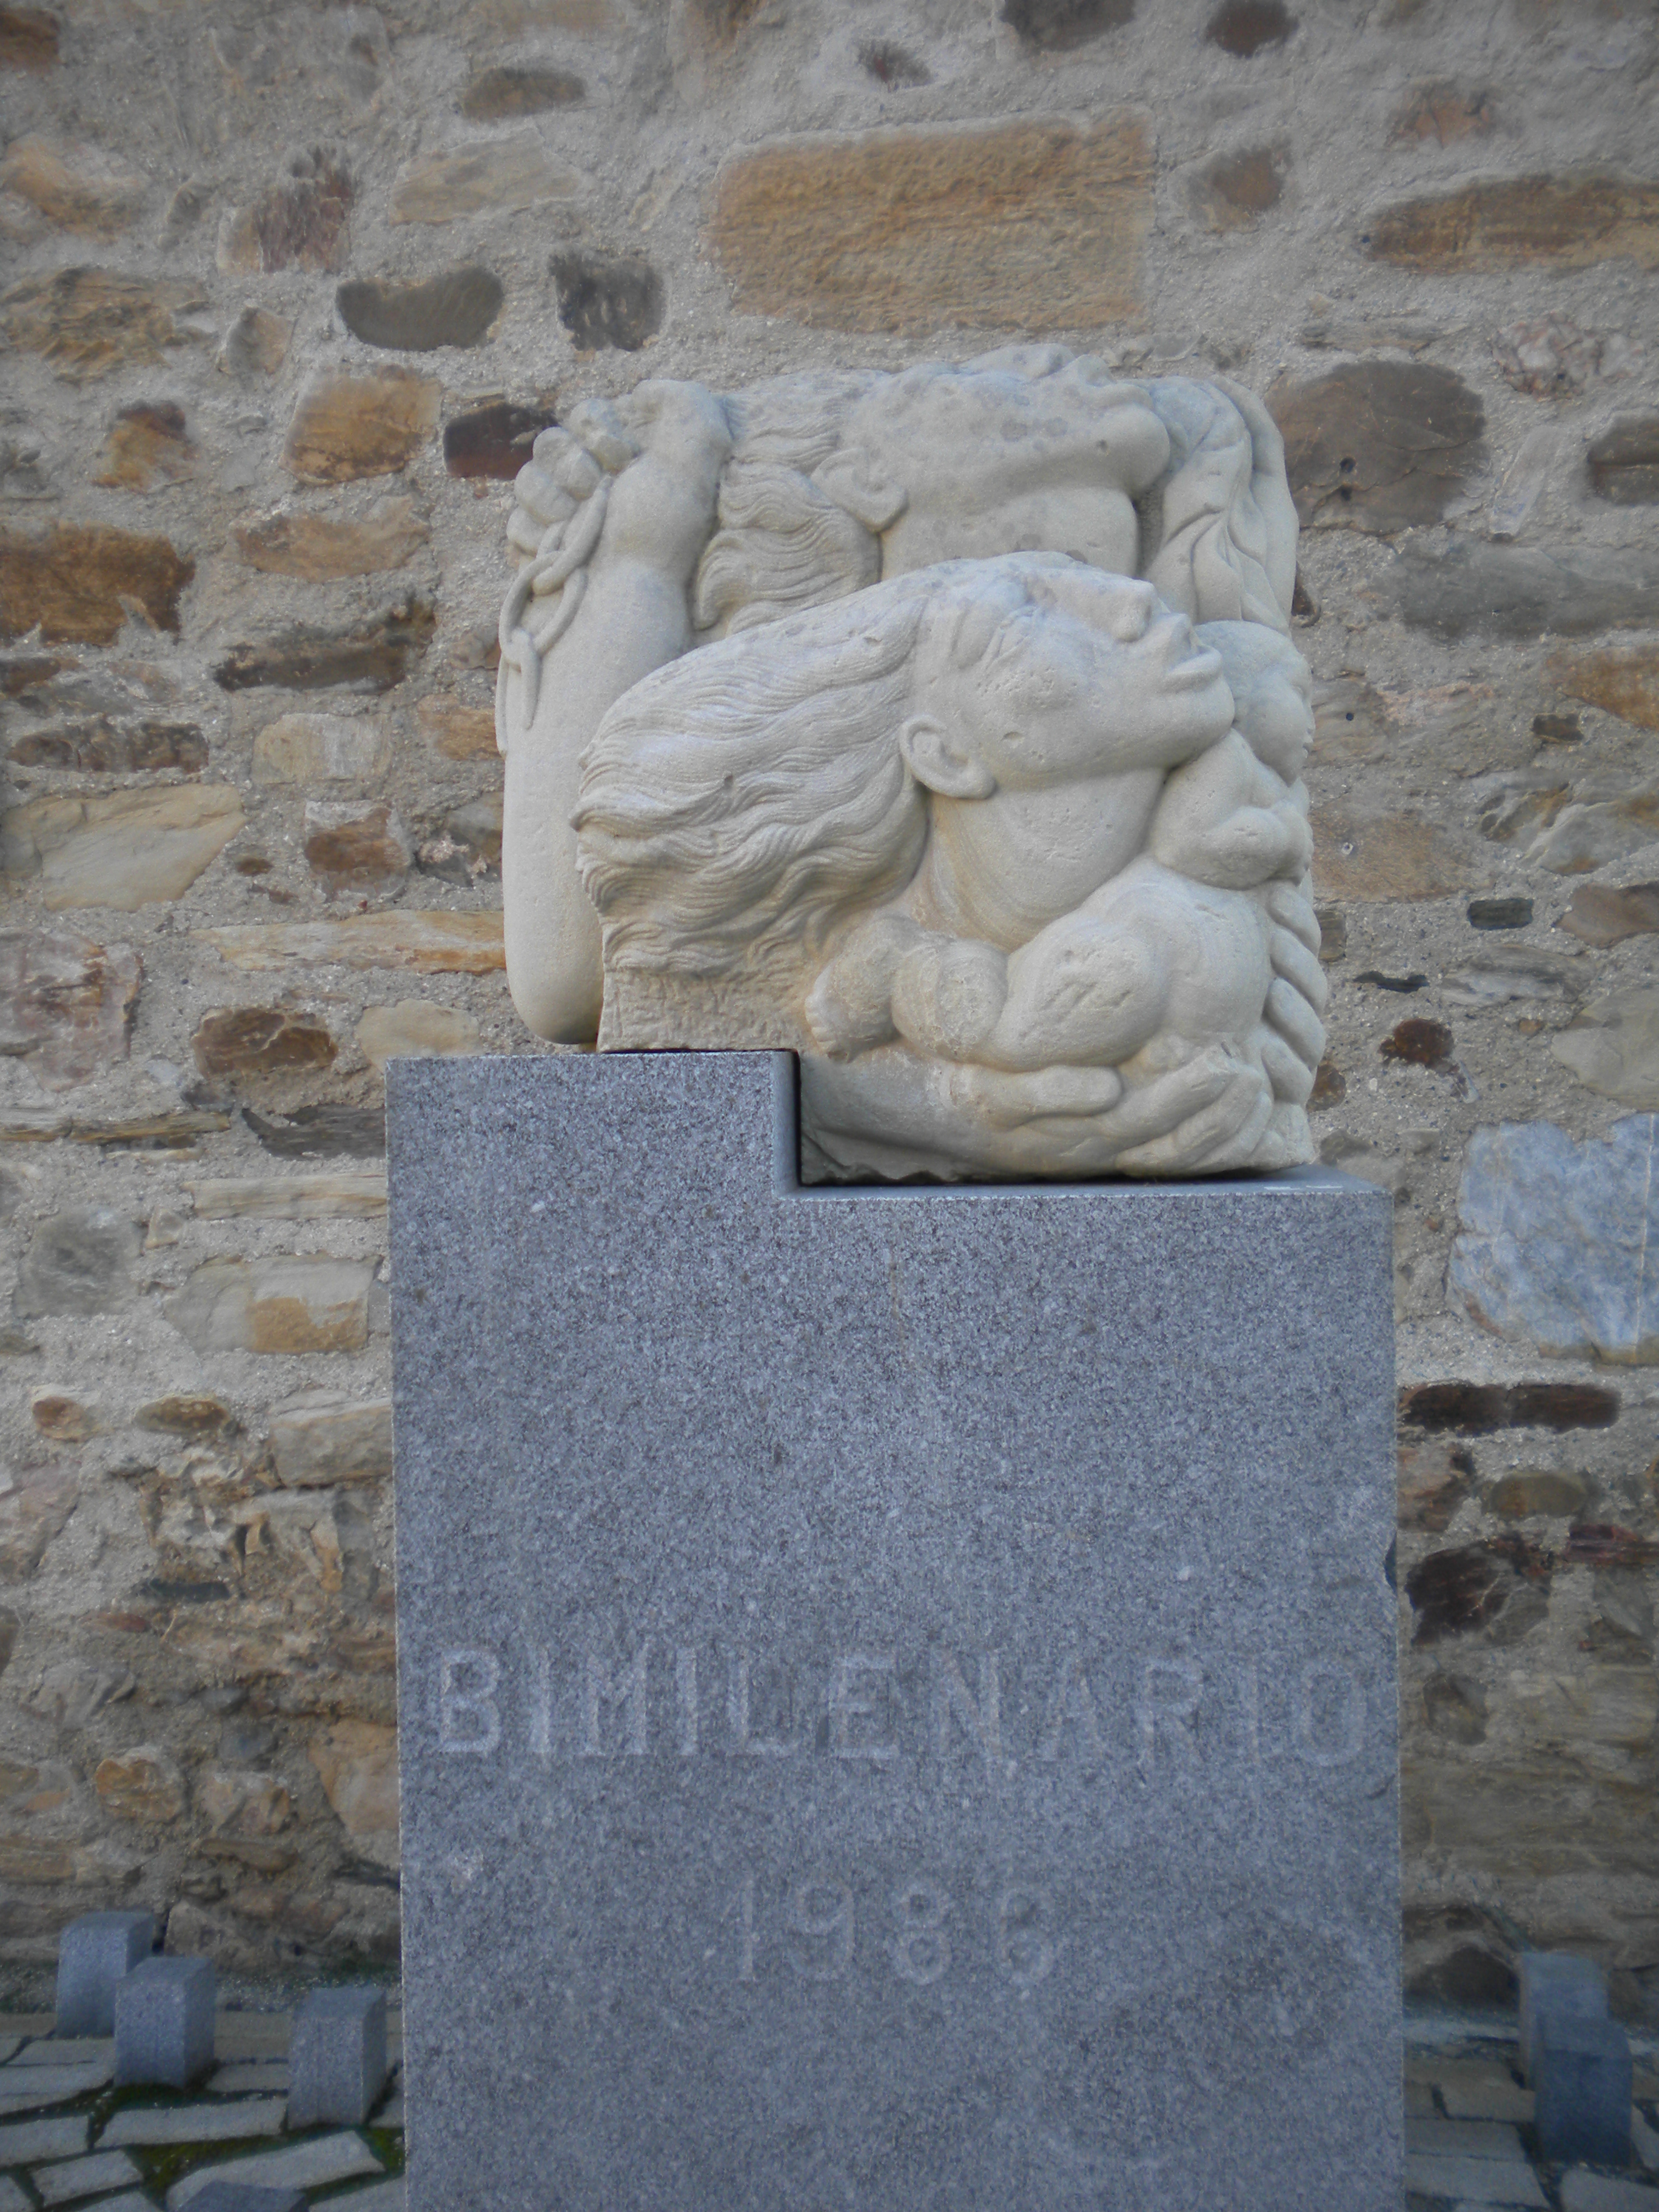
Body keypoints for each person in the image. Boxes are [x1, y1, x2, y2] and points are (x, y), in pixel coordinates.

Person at [573, 554, 1321, 1179]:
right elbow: (654, 1072)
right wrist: (933, 1108)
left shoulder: (1227, 820)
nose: (1134, 595)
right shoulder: (806, 947)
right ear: (947, 756)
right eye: (1020, 623)